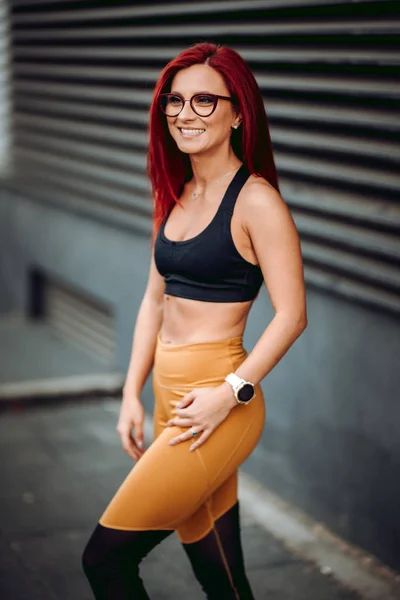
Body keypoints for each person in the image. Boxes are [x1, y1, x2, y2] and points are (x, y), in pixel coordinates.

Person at [82, 41, 307, 599]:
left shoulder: (257, 202)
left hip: (217, 400)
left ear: (238, 113)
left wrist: (230, 393)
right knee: (220, 574)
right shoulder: (177, 192)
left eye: (205, 101)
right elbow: (152, 301)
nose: (185, 114)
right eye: (174, 101)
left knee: (105, 560)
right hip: (170, 394)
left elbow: (293, 315)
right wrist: (131, 392)